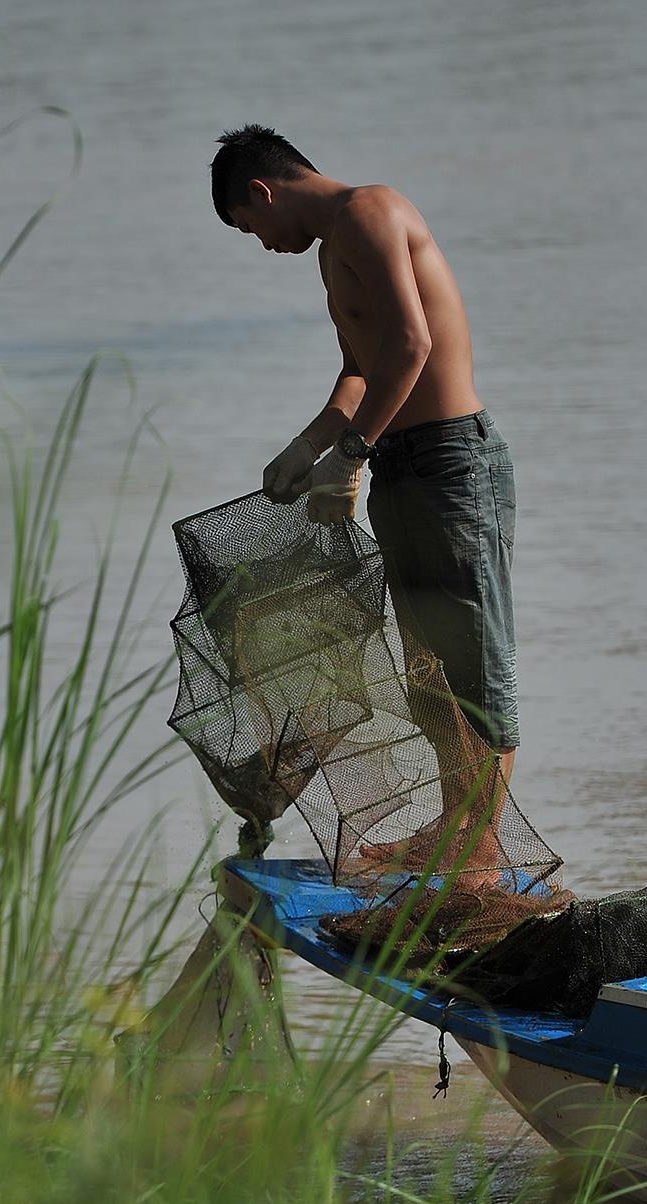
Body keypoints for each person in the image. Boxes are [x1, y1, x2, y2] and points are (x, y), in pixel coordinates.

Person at [210, 124, 519, 874]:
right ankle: (453, 830)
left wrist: (351, 453)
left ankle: (477, 848)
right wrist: (307, 446)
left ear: (264, 189)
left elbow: (412, 345)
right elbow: (360, 370)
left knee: (474, 665)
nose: (265, 245)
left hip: (451, 462)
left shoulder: (370, 211)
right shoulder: (329, 254)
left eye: (254, 228)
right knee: (426, 667)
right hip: (400, 464)